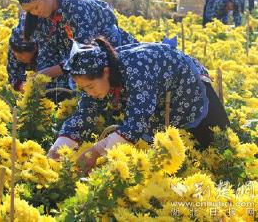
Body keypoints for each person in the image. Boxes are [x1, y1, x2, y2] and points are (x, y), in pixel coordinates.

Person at [47, 37, 230, 172]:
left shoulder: (136, 69)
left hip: (188, 87)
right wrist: (59, 148)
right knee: (161, 149)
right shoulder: (94, 76)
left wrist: (97, 150)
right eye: (83, 88)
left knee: (218, 142)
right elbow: (84, 115)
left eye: (90, 86)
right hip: (156, 97)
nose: (89, 92)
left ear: (106, 72)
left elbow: (137, 121)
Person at [10, 0, 138, 82]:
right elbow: (46, 52)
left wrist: (47, 73)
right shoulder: (39, 17)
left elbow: (84, 52)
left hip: (110, 53)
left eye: (36, 7)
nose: (35, 13)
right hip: (73, 61)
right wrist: (39, 79)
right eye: (30, 11)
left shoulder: (77, 7)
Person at [7, 13, 73, 102]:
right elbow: (13, 75)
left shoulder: (48, 44)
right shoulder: (15, 43)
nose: (18, 58)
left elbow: (72, 61)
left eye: (22, 56)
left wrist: (46, 73)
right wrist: (22, 85)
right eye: (16, 54)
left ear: (35, 48)